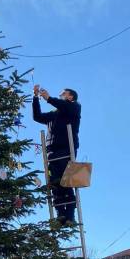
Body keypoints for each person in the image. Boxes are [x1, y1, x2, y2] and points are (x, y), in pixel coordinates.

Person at [32, 84, 81, 226]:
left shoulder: (74, 107)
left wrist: (48, 98)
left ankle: (70, 215)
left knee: (66, 183)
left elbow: (63, 105)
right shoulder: (55, 113)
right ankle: (60, 215)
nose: (61, 95)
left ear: (71, 97)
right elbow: (37, 116)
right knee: (55, 184)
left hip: (67, 149)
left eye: (64, 94)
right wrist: (36, 98)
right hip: (52, 151)